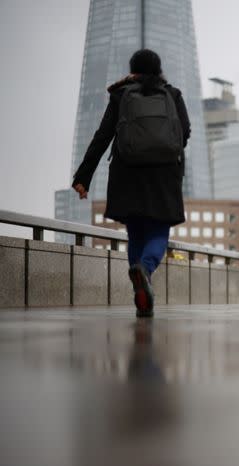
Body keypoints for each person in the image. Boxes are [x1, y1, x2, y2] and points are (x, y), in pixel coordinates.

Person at [72, 49, 191, 318]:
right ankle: (145, 271)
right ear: (159, 69)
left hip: (128, 173)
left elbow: (102, 136)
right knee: (159, 230)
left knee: (136, 233)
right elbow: (184, 132)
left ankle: (140, 285)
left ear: (133, 68)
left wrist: (83, 176)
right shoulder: (172, 94)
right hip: (164, 175)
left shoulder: (121, 94)